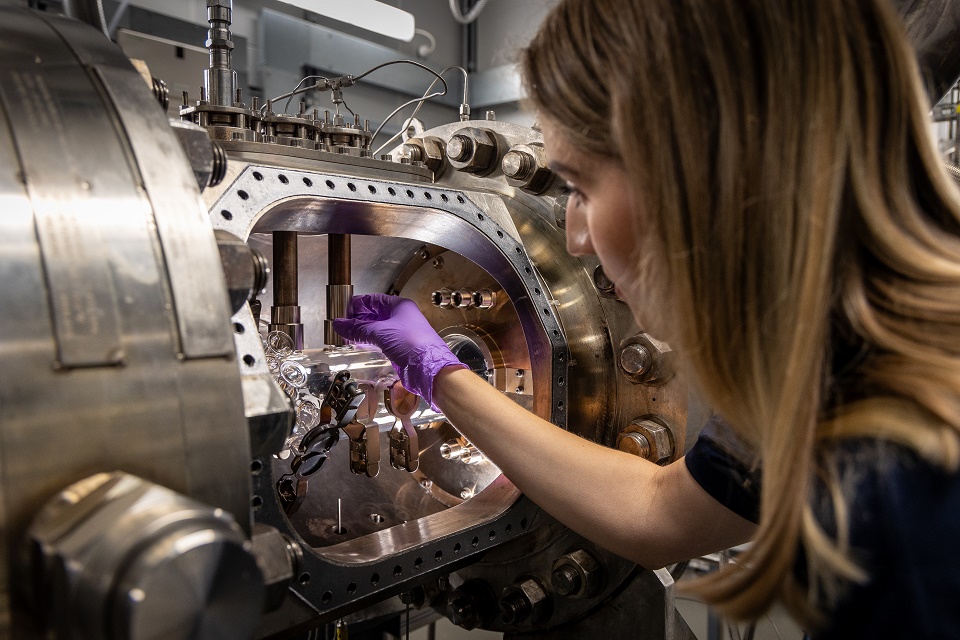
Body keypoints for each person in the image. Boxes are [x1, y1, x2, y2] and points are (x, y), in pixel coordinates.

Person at [334, 0, 960, 637]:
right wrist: (439, 373)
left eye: (579, 187)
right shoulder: (830, 357)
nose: (574, 235)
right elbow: (663, 514)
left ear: (695, 173)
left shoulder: (905, 476)